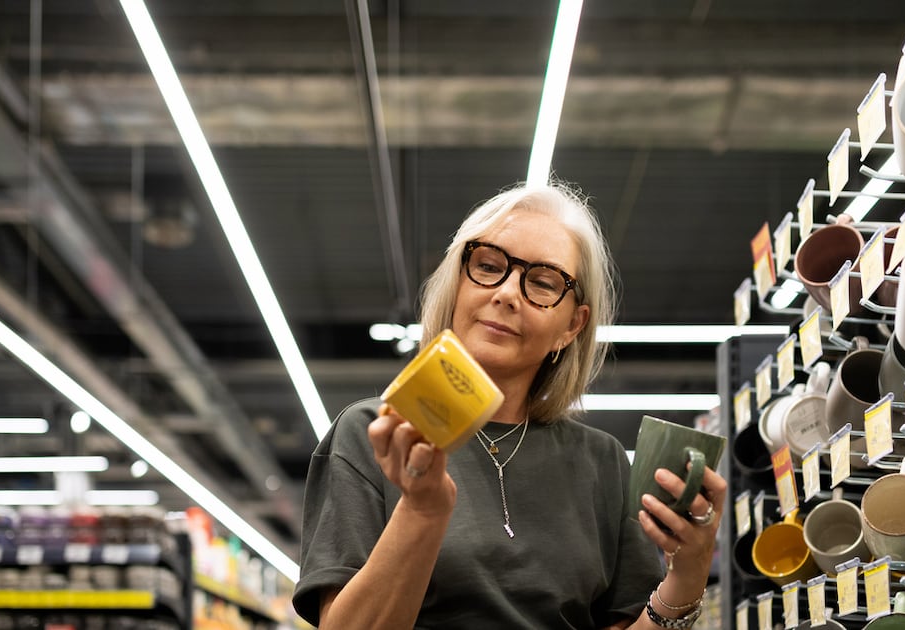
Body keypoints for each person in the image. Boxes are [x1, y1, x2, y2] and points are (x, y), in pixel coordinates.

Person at [294, 182, 727, 629]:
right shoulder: (378, 433)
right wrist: (423, 511)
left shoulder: (602, 462)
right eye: (488, 266)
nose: (506, 293)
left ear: (572, 326)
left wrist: (688, 573)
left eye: (542, 282)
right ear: (459, 283)